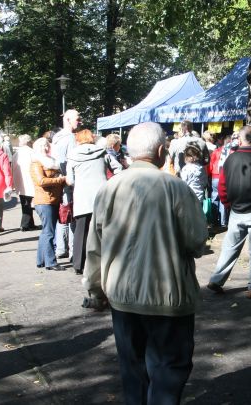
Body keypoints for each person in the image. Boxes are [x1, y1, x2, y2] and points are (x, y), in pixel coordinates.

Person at [82, 122, 207, 405]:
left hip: (122, 295)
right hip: (168, 296)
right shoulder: (177, 188)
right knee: (169, 368)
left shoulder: (109, 188)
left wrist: (94, 289)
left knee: (132, 367)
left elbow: (94, 247)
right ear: (162, 151)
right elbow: (196, 240)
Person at [207, 125, 251, 298]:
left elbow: (222, 186)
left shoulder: (230, 159)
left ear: (240, 139)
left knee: (229, 247)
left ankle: (216, 279)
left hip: (236, 210)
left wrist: (229, 204)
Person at [66, 129, 121, 275]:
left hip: (83, 198)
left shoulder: (72, 156)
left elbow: (70, 180)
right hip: (102, 196)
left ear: (78, 140)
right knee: (103, 231)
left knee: (81, 232)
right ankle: (104, 262)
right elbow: (118, 168)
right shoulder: (102, 152)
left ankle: (79, 264)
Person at [30, 137, 67, 271]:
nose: (45, 148)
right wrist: (60, 179)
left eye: (46, 145)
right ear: (36, 148)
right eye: (42, 146)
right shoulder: (36, 163)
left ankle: (41, 260)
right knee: (49, 232)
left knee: (46, 231)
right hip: (44, 201)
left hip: (52, 200)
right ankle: (51, 262)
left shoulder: (50, 162)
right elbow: (41, 181)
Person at [51, 109, 81, 259]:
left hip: (59, 181)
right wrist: (70, 180)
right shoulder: (69, 138)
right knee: (70, 215)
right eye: (77, 118)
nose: (79, 121)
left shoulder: (57, 136)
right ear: (68, 120)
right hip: (68, 182)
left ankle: (61, 248)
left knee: (62, 214)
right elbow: (71, 161)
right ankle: (72, 251)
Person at [12, 134, 37, 231]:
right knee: (30, 203)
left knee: (24, 202)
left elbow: (12, 168)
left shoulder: (16, 154)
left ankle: (30, 223)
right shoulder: (32, 152)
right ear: (29, 141)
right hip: (30, 180)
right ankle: (25, 224)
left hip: (19, 180)